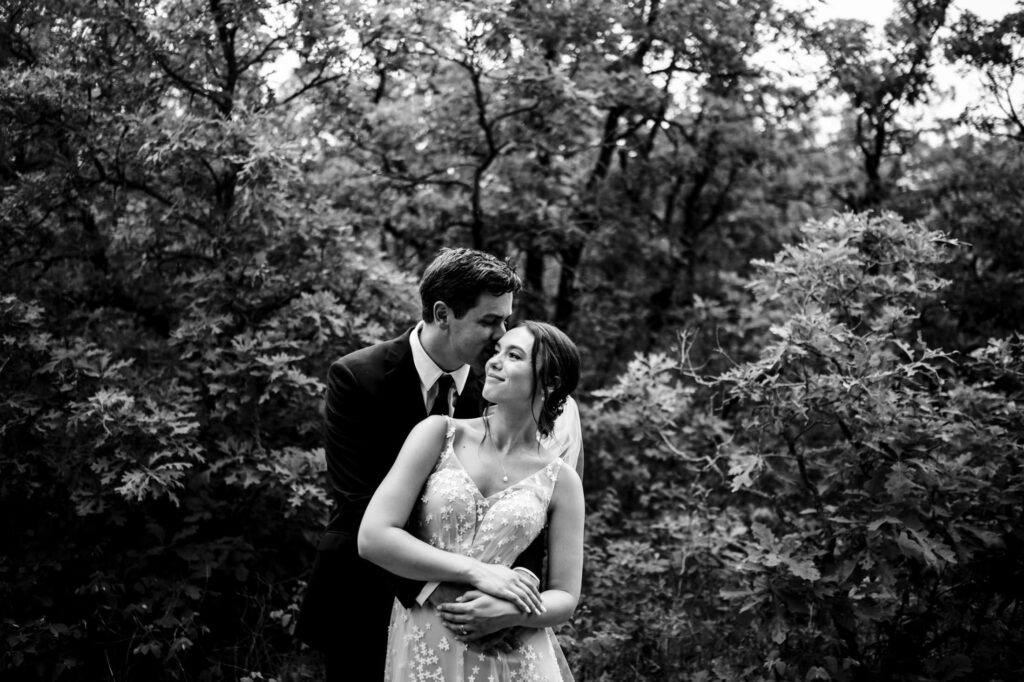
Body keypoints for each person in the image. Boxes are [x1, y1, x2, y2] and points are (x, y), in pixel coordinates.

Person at [295, 248, 583, 679]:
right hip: (367, 597)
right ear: (443, 314)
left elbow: (531, 523)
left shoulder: (499, 389)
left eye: (505, 322)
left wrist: (510, 609)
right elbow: (360, 506)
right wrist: (457, 595)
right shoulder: (359, 378)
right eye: (489, 321)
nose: (499, 336)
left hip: (489, 624)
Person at [359, 321, 585, 681]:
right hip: (424, 639)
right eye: (496, 351)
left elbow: (565, 596)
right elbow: (373, 537)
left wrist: (513, 613)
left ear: (551, 382)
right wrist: (476, 572)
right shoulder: (438, 433)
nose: (494, 361)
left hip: (509, 654)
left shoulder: (562, 481)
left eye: (513, 356)